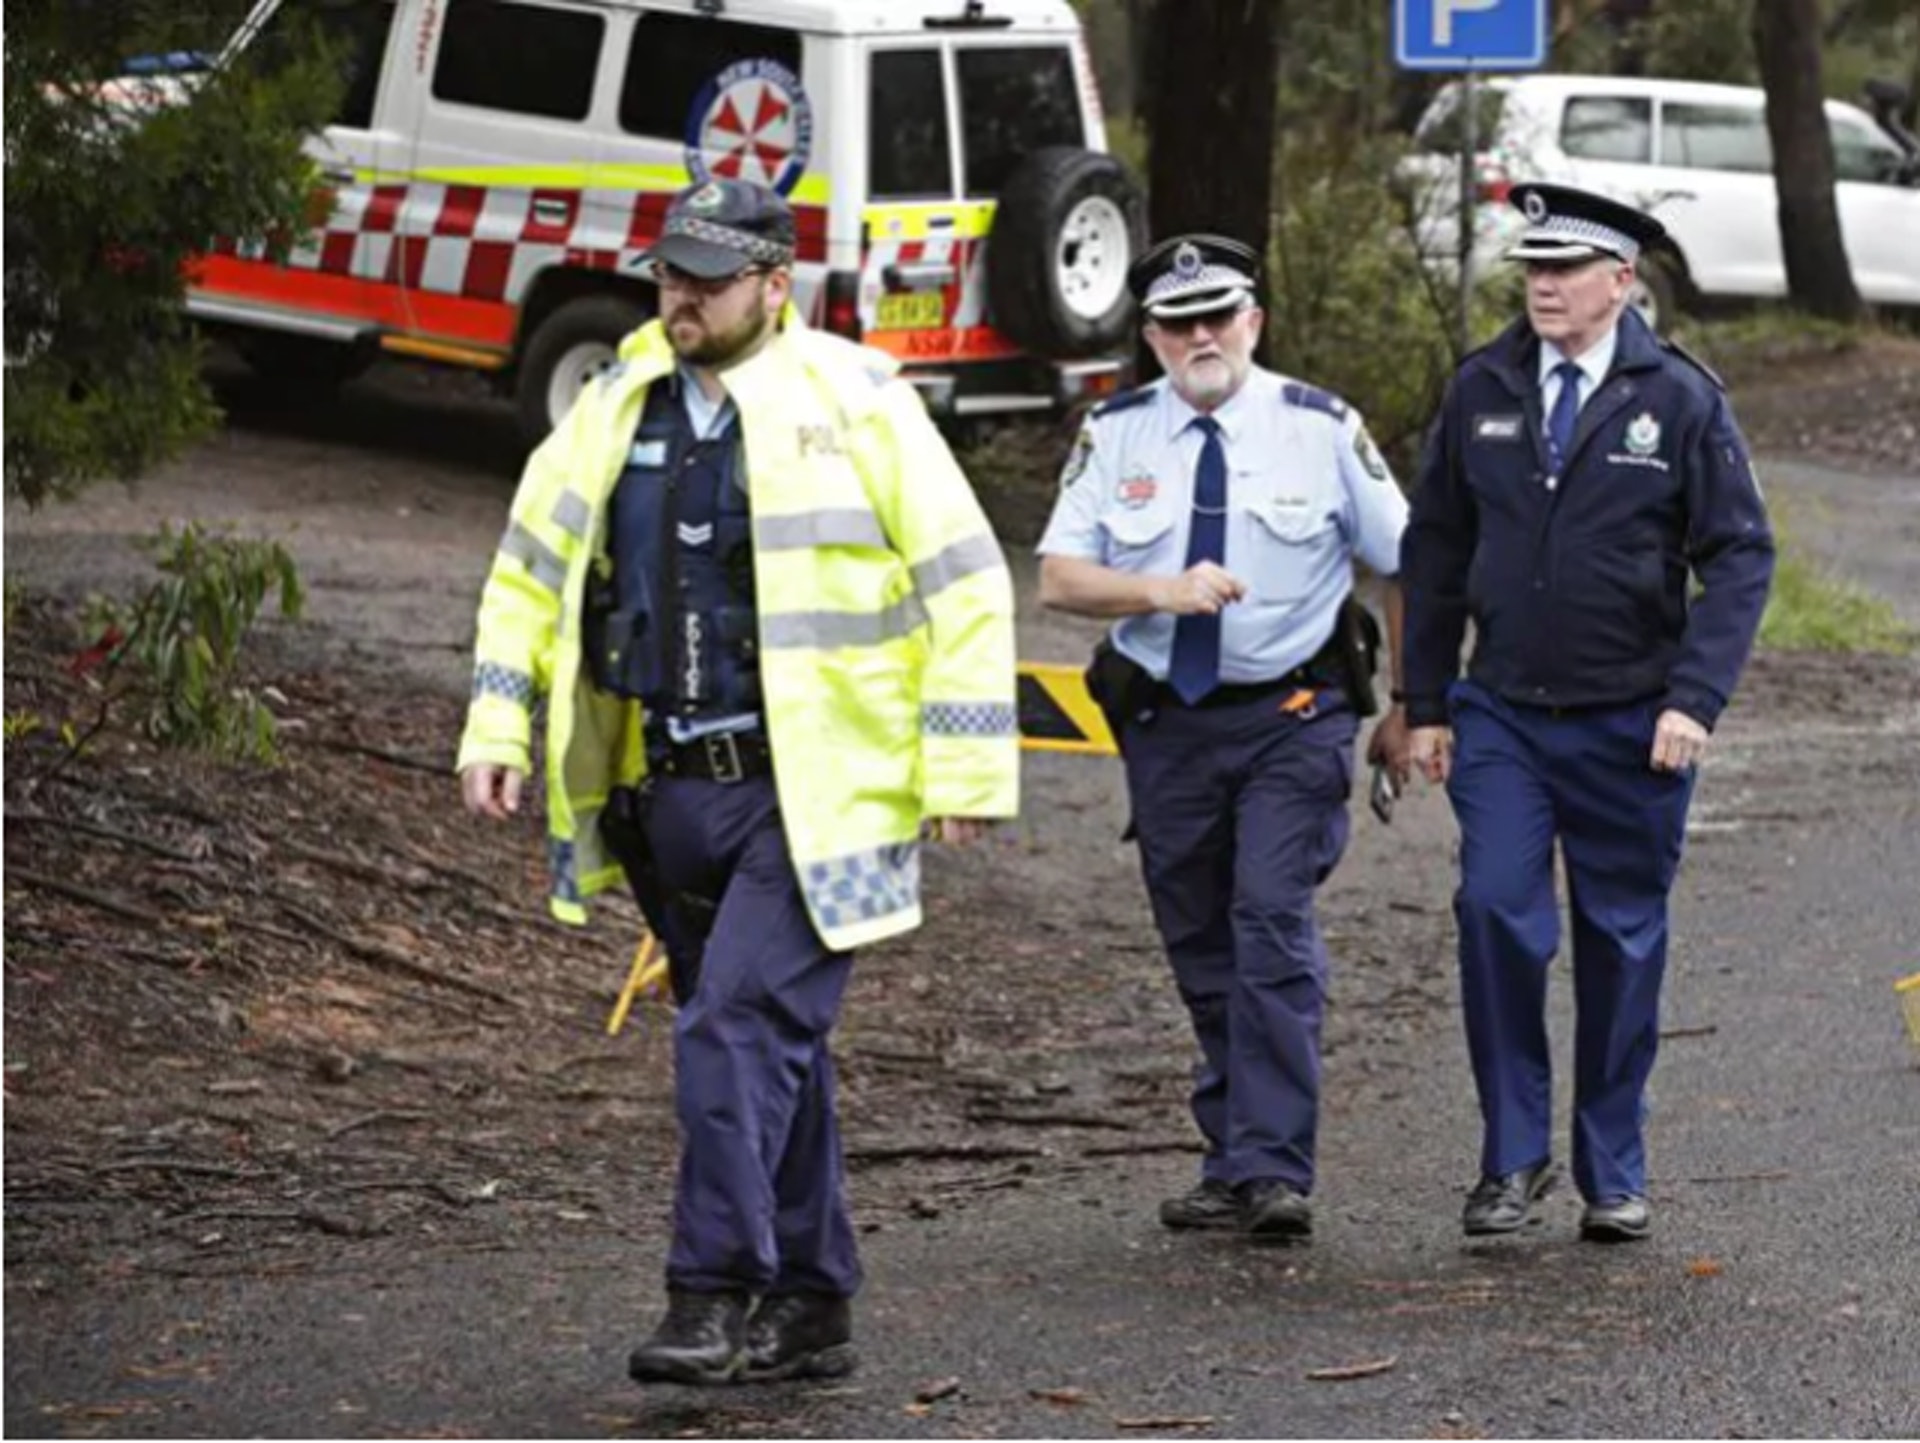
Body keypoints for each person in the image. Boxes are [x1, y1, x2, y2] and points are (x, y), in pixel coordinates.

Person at [456, 178, 1018, 1383]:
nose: (682, 295)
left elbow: (966, 582)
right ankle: (814, 1300)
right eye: (670, 274)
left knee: (733, 1028)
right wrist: (497, 730)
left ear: (778, 281)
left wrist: (965, 766)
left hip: (825, 795)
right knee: (770, 1050)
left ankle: (711, 1289)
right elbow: (528, 577)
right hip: (667, 795)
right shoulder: (614, 403)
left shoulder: (858, 397)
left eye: (708, 278)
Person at [1399, 182, 1775, 1243]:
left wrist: (1695, 699)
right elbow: (1432, 554)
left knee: (1620, 941)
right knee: (1494, 911)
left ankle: (1613, 1167)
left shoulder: (1682, 398)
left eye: (1566, 270)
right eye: (1533, 269)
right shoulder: (1481, 389)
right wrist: (1422, 701)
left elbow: (1741, 555)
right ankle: (1512, 1160)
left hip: (1634, 721)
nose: (1544, 286)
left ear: (1623, 281)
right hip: (1505, 715)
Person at [1036, 233, 1412, 1243]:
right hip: (1168, 724)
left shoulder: (1321, 427)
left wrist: (1411, 703)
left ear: (1254, 321)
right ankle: (1233, 1153)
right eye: (1179, 322)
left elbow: (1404, 561)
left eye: (1220, 316)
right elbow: (1060, 578)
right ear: (1152, 337)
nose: (1202, 337)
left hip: (1293, 714)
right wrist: (1159, 589)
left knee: (1269, 920)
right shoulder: (1115, 435)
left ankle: (1275, 1165)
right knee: (1199, 936)